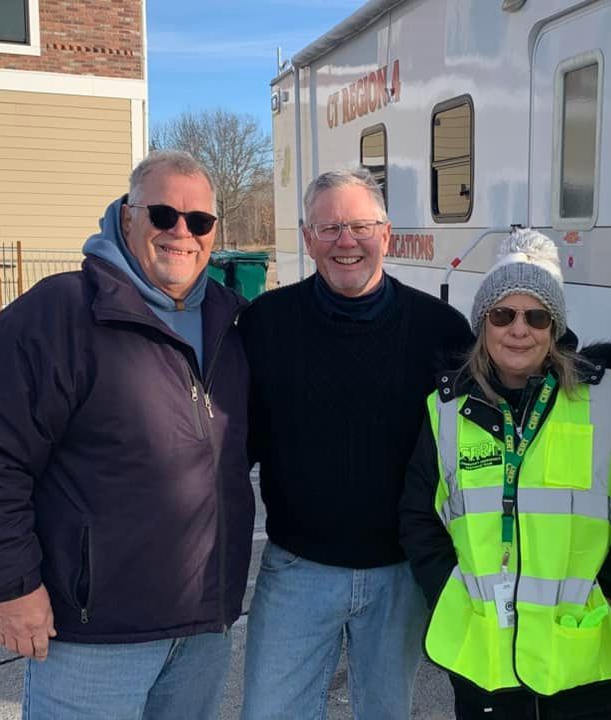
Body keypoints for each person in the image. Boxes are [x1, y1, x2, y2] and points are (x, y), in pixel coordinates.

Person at [0, 150, 255, 718]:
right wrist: (13, 586)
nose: (181, 233)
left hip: (202, 633)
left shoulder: (229, 323)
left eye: (200, 221)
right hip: (94, 636)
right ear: (126, 216)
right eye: (162, 214)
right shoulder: (60, 314)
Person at [238, 168, 473, 719]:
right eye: (330, 228)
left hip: (400, 575)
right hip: (298, 568)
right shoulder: (266, 324)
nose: (347, 242)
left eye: (361, 226)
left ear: (386, 235)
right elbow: (228, 447)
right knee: (269, 712)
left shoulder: (440, 331)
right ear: (306, 238)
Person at [399, 230, 611, 719]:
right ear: (483, 324)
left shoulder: (609, 399)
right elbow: (419, 517)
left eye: (536, 316)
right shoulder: (446, 411)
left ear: (554, 326)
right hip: (488, 664)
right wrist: (449, 593)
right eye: (503, 314)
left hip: (592, 661)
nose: (519, 329)